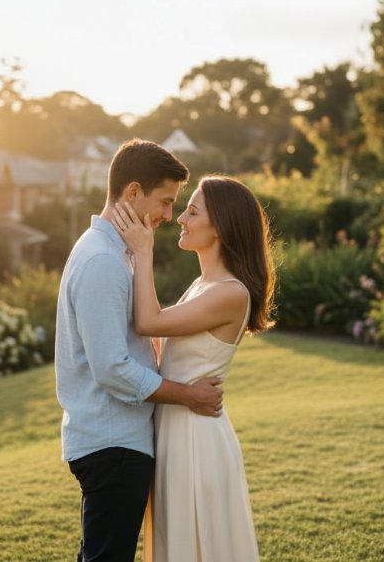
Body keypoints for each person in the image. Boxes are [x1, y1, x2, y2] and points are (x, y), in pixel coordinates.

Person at [55, 138, 225, 562]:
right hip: (114, 445)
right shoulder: (103, 261)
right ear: (133, 192)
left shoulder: (117, 253)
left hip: (115, 443)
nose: (170, 215)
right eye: (166, 202)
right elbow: (112, 369)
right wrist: (188, 395)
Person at [112, 174, 276, 562]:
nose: (181, 218)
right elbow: (157, 343)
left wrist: (142, 249)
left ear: (220, 226)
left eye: (193, 210)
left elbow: (149, 322)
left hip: (196, 438)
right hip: (175, 430)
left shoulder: (230, 292)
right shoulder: (201, 285)